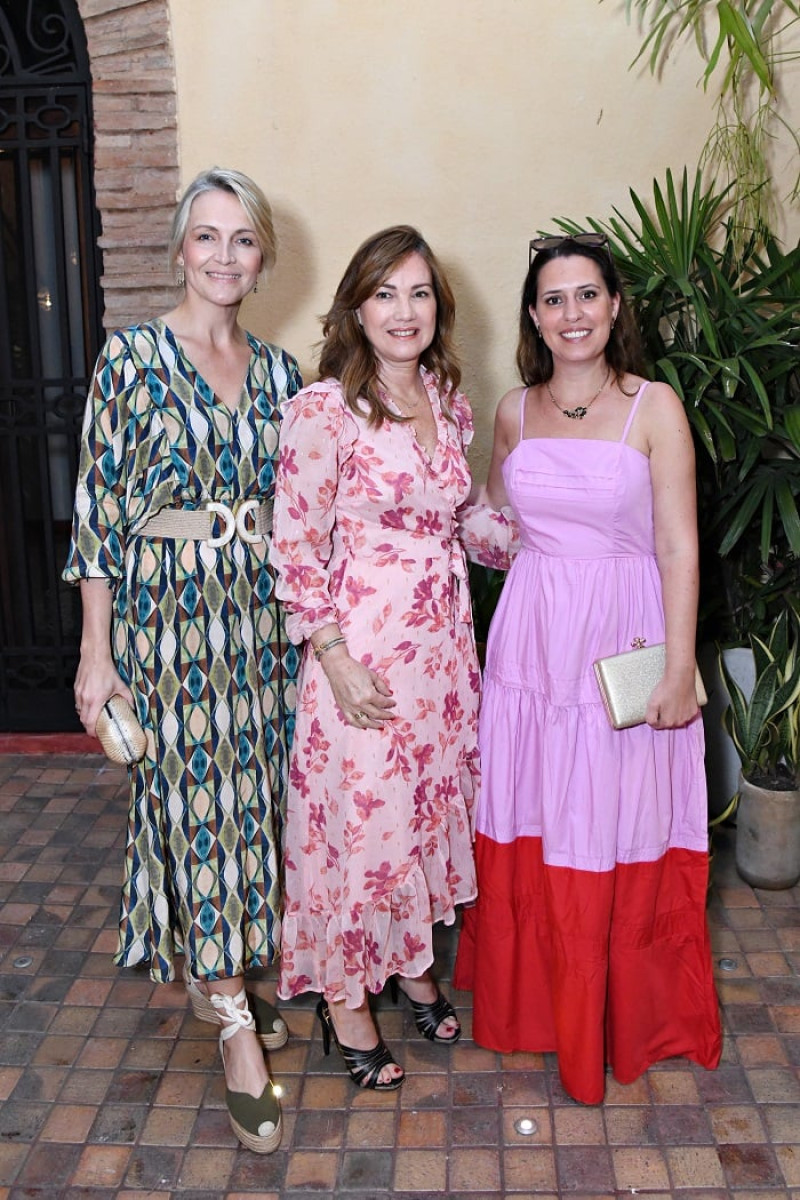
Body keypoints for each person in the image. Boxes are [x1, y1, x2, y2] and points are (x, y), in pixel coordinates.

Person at [453, 232, 722, 1104]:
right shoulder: (512, 411)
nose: (572, 313)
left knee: (616, 814)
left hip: (624, 641)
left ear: (614, 306)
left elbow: (680, 545)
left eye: (587, 295)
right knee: (539, 807)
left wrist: (678, 670)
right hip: (533, 645)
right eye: (554, 299)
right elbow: (492, 522)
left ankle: (619, 1011)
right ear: (534, 315)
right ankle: (537, 1003)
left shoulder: (656, 407)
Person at [63, 167, 301, 1152]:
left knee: (256, 810)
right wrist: (95, 654)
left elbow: (312, 507)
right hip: (169, 623)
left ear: (262, 255)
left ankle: (226, 974)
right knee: (198, 808)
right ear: (178, 248)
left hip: (259, 620)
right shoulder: (131, 360)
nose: (222, 256)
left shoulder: (284, 373)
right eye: (205, 236)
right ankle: (236, 1027)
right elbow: (97, 514)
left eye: (241, 239)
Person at [270, 225, 481, 1090]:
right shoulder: (324, 410)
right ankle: (347, 998)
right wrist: (334, 656)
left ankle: (410, 964)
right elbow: (293, 546)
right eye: (385, 293)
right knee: (362, 829)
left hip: (442, 657)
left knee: (421, 814)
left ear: (440, 306)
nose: (404, 311)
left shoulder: (448, 398)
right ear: (356, 306)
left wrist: (566, 539)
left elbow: (458, 525)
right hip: (363, 657)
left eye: (419, 292)